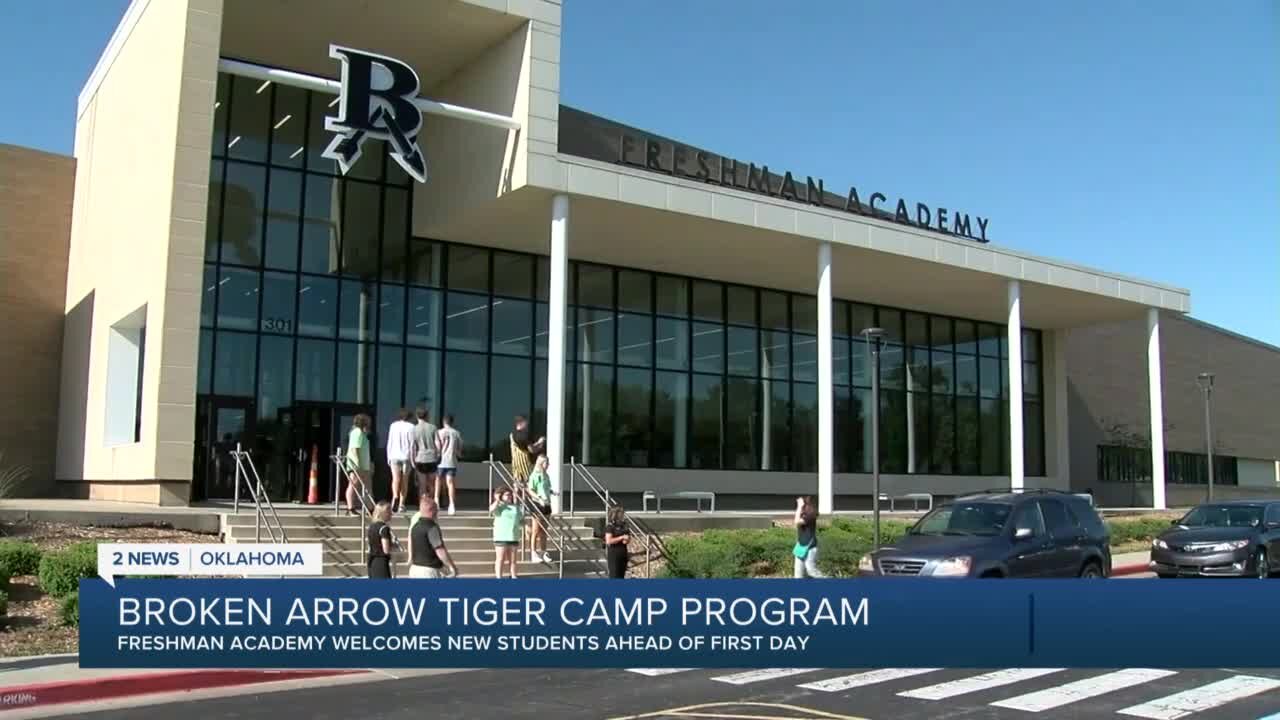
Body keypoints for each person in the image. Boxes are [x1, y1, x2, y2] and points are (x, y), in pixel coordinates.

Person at [408, 498, 457, 578]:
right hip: (428, 571)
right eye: (436, 510)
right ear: (431, 510)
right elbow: (440, 550)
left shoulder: (415, 527)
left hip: (414, 569)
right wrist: (451, 566)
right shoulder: (431, 528)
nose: (437, 512)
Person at [386, 409, 416, 514]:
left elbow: (390, 442)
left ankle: (395, 496)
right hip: (406, 457)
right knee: (405, 480)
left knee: (395, 479)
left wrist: (388, 457)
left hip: (394, 455)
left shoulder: (393, 426)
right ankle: (402, 504)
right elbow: (412, 445)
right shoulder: (411, 427)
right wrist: (413, 460)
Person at [490, 487, 523, 579]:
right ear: (502, 496)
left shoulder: (515, 507)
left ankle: (513, 576)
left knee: (513, 560)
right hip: (501, 536)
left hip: (513, 536)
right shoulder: (499, 506)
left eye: (510, 495)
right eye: (507, 495)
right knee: (500, 559)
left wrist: (526, 526)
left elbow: (520, 519)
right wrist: (497, 500)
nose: (510, 496)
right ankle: (499, 577)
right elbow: (491, 509)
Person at [344, 414, 373, 516]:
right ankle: (350, 508)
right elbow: (354, 449)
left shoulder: (362, 433)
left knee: (365, 487)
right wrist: (358, 465)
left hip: (363, 466)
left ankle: (369, 508)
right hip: (356, 465)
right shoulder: (357, 432)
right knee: (353, 485)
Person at [526, 455, 553, 563]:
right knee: (536, 530)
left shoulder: (546, 475)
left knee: (544, 530)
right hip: (537, 504)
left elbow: (547, 488)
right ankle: (533, 552)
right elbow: (530, 490)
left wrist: (552, 492)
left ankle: (543, 552)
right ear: (541, 463)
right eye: (546, 463)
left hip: (547, 504)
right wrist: (539, 497)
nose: (548, 465)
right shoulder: (534, 475)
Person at [411, 406, 439, 506]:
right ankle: (431, 503)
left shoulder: (414, 429)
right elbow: (438, 444)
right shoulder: (433, 428)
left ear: (417, 416)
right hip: (431, 458)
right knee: (431, 484)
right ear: (427, 416)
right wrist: (438, 455)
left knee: (422, 485)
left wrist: (412, 460)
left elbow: (413, 447)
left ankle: (422, 505)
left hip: (420, 458)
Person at [435, 415, 463, 515]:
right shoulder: (456, 433)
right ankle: (451, 504)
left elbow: (437, 448)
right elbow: (459, 451)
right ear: (452, 422)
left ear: (444, 422)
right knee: (450, 483)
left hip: (440, 461)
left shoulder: (439, 432)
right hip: (451, 461)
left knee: (438, 481)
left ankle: (436, 501)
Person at [793, 496, 826, 578]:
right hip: (801, 547)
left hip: (810, 548)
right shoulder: (804, 514)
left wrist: (799, 506)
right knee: (798, 575)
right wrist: (800, 508)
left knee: (811, 571)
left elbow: (796, 522)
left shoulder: (811, 515)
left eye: (805, 503)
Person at [508, 415, 545, 483]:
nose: (527, 426)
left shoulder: (513, 435)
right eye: (526, 423)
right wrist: (540, 443)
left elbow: (525, 447)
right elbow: (532, 450)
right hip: (524, 466)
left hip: (516, 464)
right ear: (521, 423)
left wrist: (537, 443)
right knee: (529, 485)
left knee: (517, 485)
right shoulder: (522, 435)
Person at [367, 501, 395, 579]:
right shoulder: (384, 528)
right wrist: (393, 546)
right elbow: (386, 549)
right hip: (381, 561)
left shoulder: (371, 526)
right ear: (384, 513)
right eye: (389, 512)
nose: (391, 514)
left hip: (371, 560)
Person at [604, 504, 630, 579]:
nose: (623, 514)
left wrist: (627, 539)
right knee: (614, 576)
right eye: (621, 512)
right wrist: (621, 537)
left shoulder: (624, 525)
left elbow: (626, 541)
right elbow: (609, 541)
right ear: (616, 513)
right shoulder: (610, 526)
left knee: (621, 576)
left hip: (623, 553)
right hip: (614, 555)